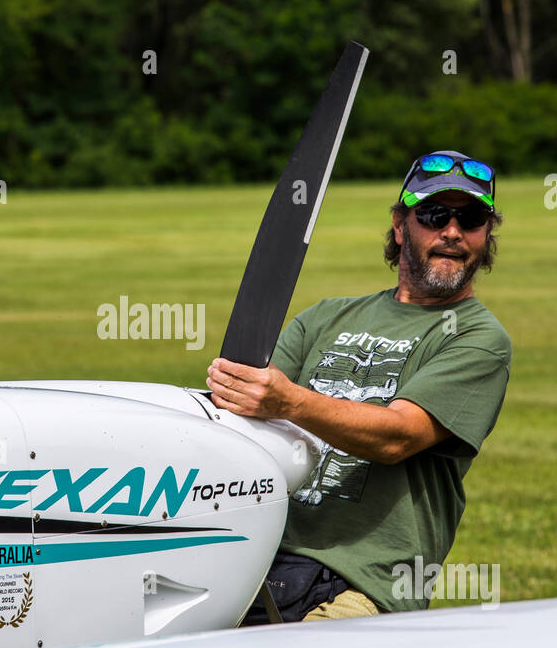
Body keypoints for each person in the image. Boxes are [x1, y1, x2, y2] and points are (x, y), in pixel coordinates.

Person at [207, 150, 512, 623]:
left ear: (485, 235)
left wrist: (288, 400)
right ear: (399, 225)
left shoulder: (479, 338)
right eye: (434, 215)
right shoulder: (324, 316)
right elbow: (240, 420)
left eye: (471, 218)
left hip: (362, 584)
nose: (452, 232)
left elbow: (398, 437)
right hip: (255, 564)